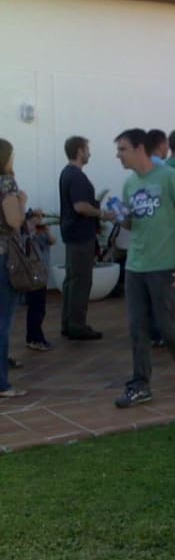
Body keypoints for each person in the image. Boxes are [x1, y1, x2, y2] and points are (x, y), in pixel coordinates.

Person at [112, 128, 175, 409]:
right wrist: (119, 216)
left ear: (140, 149)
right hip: (136, 264)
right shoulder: (129, 184)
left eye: (122, 149)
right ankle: (140, 384)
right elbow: (133, 222)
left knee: (167, 324)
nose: (119, 156)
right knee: (137, 326)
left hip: (166, 264)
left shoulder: (169, 177)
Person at [58, 136, 111, 341]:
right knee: (81, 280)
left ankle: (68, 323)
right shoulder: (77, 176)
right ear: (80, 151)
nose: (90, 153)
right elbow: (80, 206)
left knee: (72, 279)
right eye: (87, 149)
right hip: (81, 234)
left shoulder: (66, 173)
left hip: (72, 233)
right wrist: (102, 213)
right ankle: (77, 325)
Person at [0, 138, 28, 397]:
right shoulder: (6, 183)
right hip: (5, 258)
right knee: (3, 320)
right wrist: (22, 200)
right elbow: (14, 221)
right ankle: (2, 383)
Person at [24, 209, 56, 352]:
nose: (38, 221)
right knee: (36, 308)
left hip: (42, 275)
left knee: (39, 308)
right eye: (35, 218)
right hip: (32, 276)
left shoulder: (41, 233)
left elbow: (52, 241)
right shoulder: (25, 234)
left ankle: (35, 337)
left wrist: (46, 230)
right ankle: (35, 338)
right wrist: (31, 231)